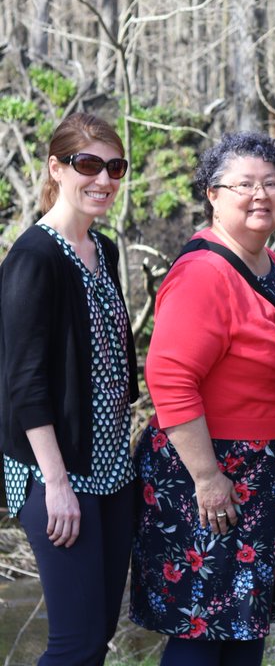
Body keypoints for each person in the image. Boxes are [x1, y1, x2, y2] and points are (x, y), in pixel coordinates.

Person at [128, 132, 275, 666]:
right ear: (211, 193)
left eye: (271, 183)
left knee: (243, 631)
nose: (260, 195)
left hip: (262, 475)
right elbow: (170, 377)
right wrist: (207, 477)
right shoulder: (204, 273)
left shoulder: (271, 265)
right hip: (210, 474)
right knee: (201, 631)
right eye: (244, 184)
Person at [0, 113, 138, 665]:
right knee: (74, 642)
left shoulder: (101, 250)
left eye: (114, 167)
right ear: (55, 168)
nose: (102, 179)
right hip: (57, 472)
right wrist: (56, 484)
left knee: (97, 633)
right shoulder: (34, 257)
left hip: (111, 470)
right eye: (88, 165)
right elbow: (23, 382)